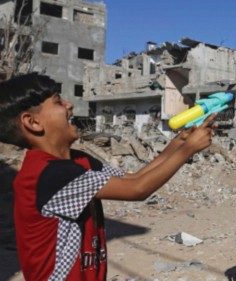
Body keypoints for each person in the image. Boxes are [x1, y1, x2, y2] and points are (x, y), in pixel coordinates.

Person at [0, 73, 215, 280]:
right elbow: (138, 189)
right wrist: (188, 150)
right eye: (58, 102)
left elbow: (133, 178)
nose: (69, 105)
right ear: (33, 122)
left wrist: (178, 143)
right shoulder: (48, 175)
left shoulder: (78, 162)